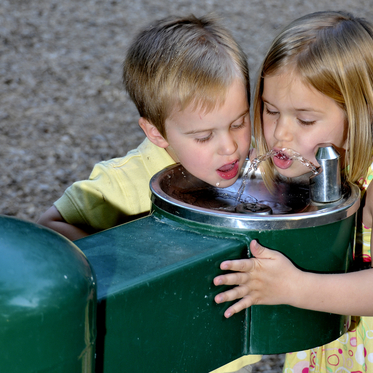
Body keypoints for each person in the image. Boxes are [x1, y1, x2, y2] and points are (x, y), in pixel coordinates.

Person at [213, 10, 373, 372]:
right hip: (337, 334)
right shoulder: (312, 163)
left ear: (359, 115)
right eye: (271, 111)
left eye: (305, 119)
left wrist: (293, 287)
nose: (281, 134)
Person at [37, 13, 261, 373]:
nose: (230, 147)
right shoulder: (124, 183)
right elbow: (47, 228)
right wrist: (130, 255)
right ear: (156, 132)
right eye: (204, 137)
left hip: (227, 349)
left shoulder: (252, 168)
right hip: (158, 351)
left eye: (239, 122)